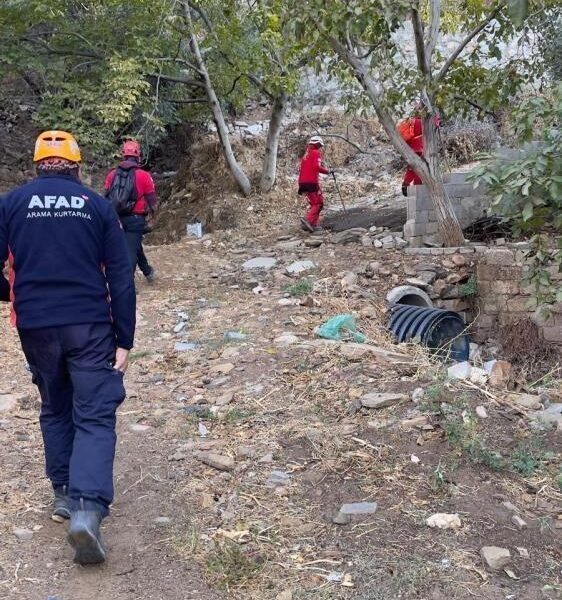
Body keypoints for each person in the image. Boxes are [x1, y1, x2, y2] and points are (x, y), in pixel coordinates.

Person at [0, 130, 136, 565]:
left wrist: (14, 294)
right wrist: (125, 338)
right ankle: (87, 508)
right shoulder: (96, 206)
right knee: (94, 413)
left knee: (55, 405)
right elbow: (120, 275)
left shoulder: (12, 203)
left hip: (36, 325)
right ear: (77, 166)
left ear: (36, 164)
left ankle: (62, 493)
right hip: (89, 325)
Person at [104, 140, 157, 281]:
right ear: (138, 155)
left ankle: (147, 271)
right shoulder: (144, 176)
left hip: (116, 218)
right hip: (135, 219)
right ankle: (127, 282)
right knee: (131, 250)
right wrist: (153, 217)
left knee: (133, 244)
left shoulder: (112, 175)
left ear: (123, 155)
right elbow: (152, 201)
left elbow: (107, 196)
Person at [397, 99, 440, 196]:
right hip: (420, 148)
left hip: (411, 148)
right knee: (420, 168)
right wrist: (437, 120)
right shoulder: (422, 122)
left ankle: (406, 184)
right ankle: (416, 186)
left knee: (412, 168)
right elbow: (435, 123)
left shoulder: (412, 121)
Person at [298, 136, 331, 232]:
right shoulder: (316, 153)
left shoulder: (306, 154)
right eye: (320, 145)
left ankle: (314, 224)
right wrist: (327, 171)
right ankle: (307, 220)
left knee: (314, 203)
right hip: (311, 182)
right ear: (317, 144)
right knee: (318, 203)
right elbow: (316, 167)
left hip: (302, 182)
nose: (320, 147)